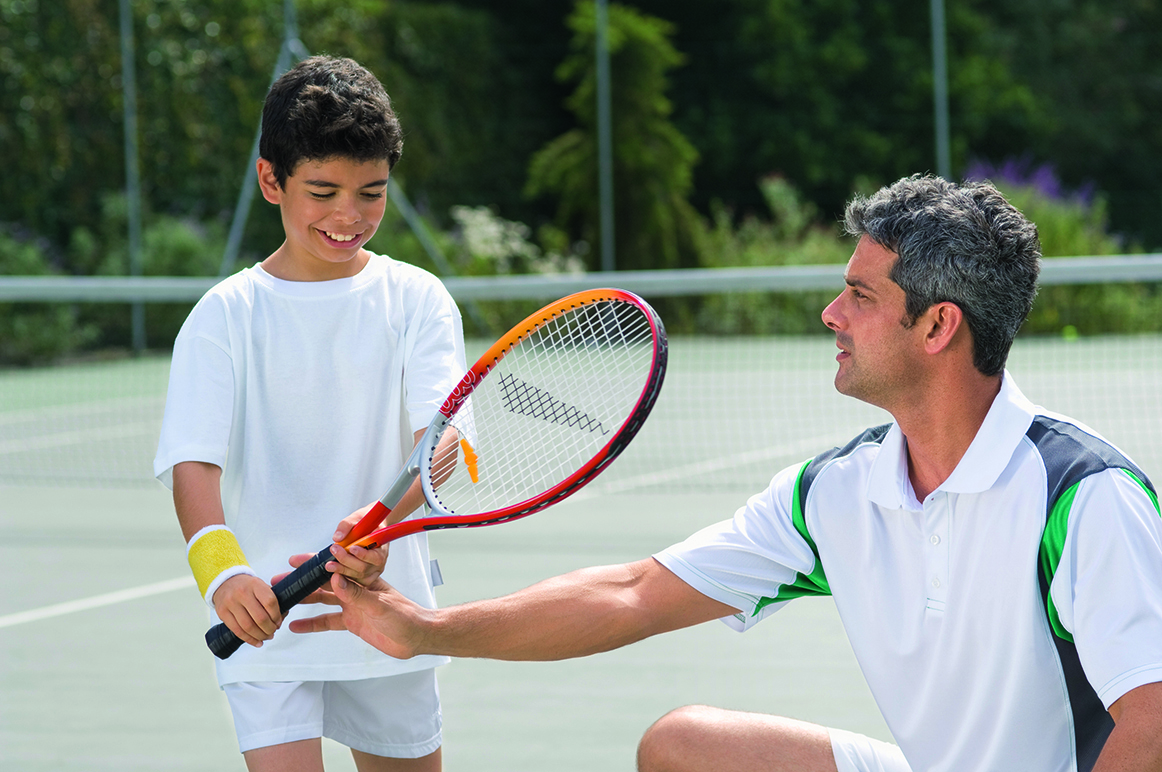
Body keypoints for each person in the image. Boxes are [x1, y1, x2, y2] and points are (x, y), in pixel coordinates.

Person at [288, 174, 1162, 772]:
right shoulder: (836, 496)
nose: (832, 313)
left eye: (860, 295)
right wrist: (422, 629)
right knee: (686, 746)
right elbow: (630, 592)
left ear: (937, 328)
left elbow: (1152, 726)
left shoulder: (1081, 499)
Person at [154, 55, 465, 772]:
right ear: (271, 180)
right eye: (322, 191)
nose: (348, 215)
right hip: (264, 625)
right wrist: (225, 576)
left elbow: (439, 444)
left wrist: (383, 522)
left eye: (372, 192)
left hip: (389, 610)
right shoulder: (224, 315)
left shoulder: (418, 300)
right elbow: (192, 465)